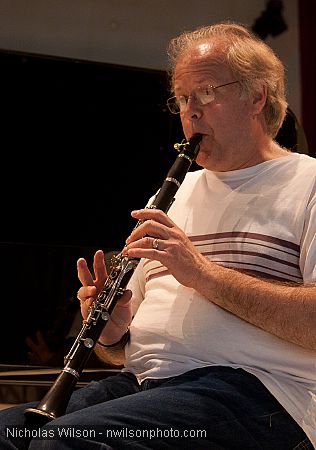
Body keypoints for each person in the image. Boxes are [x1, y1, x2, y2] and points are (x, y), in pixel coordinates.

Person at [0, 21, 315, 450]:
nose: (191, 111)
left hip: (264, 396)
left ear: (256, 96)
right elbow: (119, 352)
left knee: (66, 442)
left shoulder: (308, 182)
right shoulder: (173, 193)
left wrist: (202, 274)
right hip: (145, 385)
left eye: (205, 92)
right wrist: (113, 330)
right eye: (182, 99)